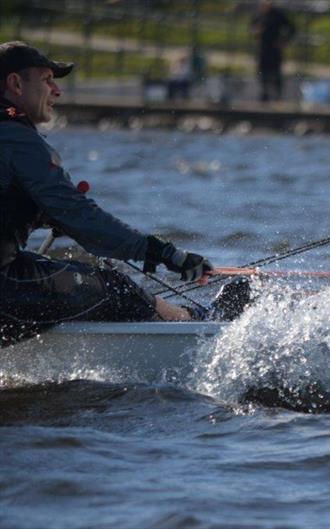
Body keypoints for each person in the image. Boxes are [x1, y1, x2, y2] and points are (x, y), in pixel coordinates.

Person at [0, 41, 215, 344]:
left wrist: (41, 214)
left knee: (70, 272)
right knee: (117, 288)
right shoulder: (18, 140)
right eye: (47, 80)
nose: (56, 91)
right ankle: (201, 321)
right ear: (15, 83)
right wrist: (164, 253)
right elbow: (80, 216)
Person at [251, 0, 295, 102]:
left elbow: (292, 28)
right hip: (263, 48)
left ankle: (278, 97)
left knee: (276, 72)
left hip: (275, 49)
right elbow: (252, 27)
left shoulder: (278, 15)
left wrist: (284, 41)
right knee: (262, 72)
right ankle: (264, 96)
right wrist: (255, 31)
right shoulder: (259, 14)